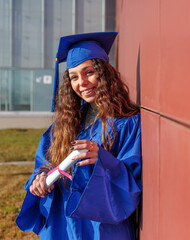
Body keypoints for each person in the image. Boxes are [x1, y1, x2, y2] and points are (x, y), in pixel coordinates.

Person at [15, 32, 142, 240]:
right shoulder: (65, 125)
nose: (81, 82)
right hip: (62, 223)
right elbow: (44, 164)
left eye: (89, 72)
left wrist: (102, 160)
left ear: (105, 73)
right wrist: (39, 179)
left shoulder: (127, 123)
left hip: (101, 226)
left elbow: (131, 183)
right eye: (74, 77)